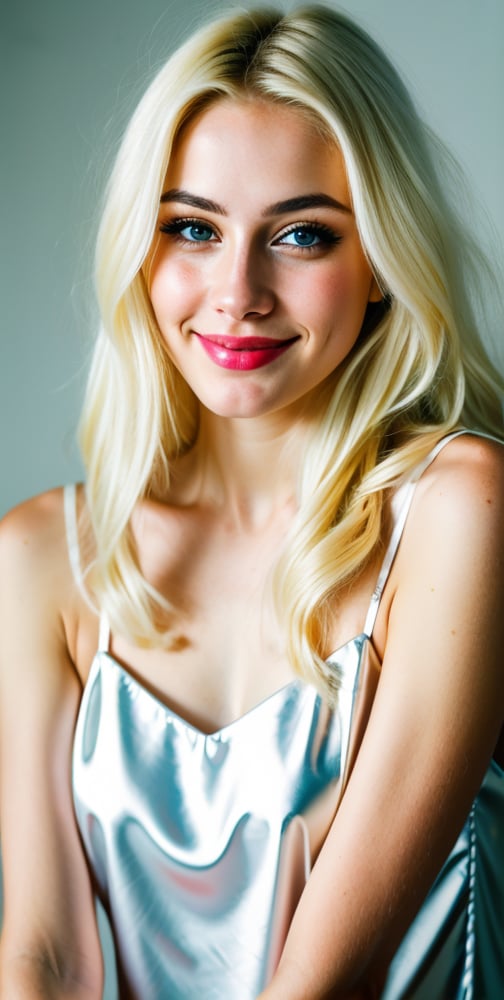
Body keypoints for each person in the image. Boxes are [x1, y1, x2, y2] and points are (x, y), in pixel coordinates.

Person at [0, 4, 503, 998]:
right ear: (139, 251)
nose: (238, 292)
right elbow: (42, 954)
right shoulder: (43, 553)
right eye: (192, 227)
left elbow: (331, 976)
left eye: (303, 236)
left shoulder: (460, 508)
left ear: (381, 267)